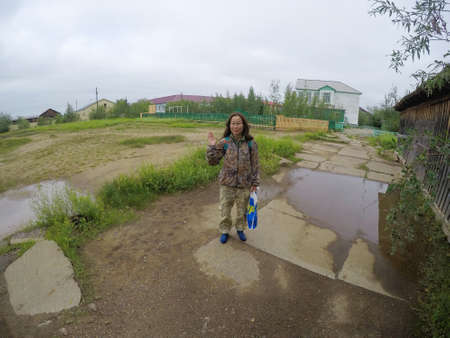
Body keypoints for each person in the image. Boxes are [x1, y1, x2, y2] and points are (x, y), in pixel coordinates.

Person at [206, 112, 260, 244]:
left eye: (238, 123)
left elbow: (255, 164)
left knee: (242, 210)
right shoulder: (224, 142)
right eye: (233, 123)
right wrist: (213, 146)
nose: (236, 126)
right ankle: (225, 231)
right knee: (225, 209)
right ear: (229, 125)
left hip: (244, 184)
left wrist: (255, 182)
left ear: (244, 125)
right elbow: (212, 162)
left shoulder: (251, 143)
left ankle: (240, 229)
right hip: (227, 184)